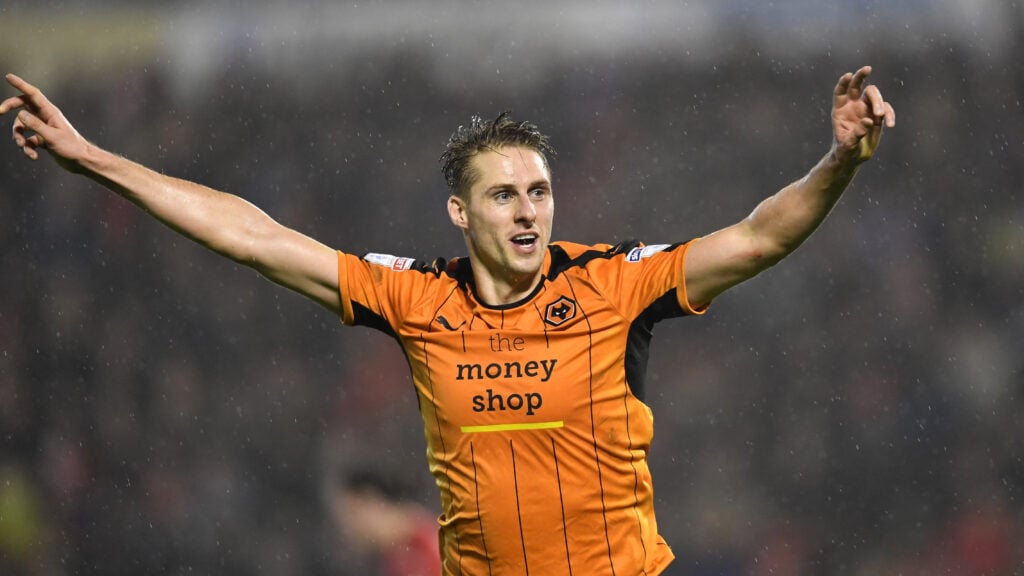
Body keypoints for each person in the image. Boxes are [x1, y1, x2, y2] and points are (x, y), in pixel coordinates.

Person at [1, 67, 895, 575]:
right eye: (502, 194)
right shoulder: (418, 299)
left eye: (539, 191)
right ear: (460, 215)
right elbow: (253, 236)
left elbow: (758, 237)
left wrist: (839, 160)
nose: (527, 212)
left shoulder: (615, 285)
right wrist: (95, 160)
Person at [328, 465, 442, 576]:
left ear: (371, 502)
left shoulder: (429, 548)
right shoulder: (396, 558)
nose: (349, 528)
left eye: (353, 514)